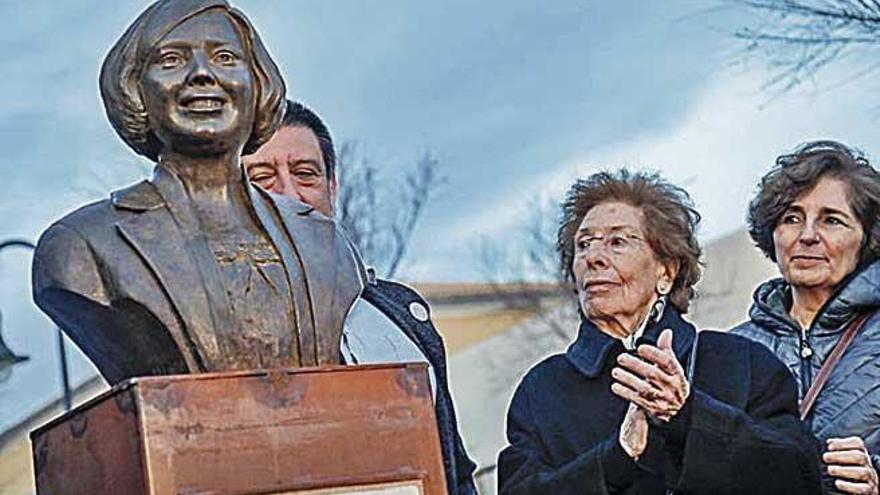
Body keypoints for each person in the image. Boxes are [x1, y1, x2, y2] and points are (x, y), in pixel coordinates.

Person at [31, 0, 364, 384]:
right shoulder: (79, 247)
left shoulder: (327, 243)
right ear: (135, 90)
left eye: (225, 57)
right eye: (172, 60)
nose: (202, 73)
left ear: (258, 86)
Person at [497, 170, 822, 494]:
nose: (593, 258)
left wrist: (689, 415)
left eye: (617, 241)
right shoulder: (542, 390)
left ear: (666, 271)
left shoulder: (743, 362)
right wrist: (616, 459)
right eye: (583, 245)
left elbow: (798, 477)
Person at [242, 100, 478, 495]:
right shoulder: (205, 328)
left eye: (305, 174)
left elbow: (453, 467)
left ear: (332, 189)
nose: (288, 193)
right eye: (263, 178)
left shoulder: (401, 315)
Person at [731, 141, 880, 495]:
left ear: (867, 238)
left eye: (831, 220)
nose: (808, 235)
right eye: (792, 218)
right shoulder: (733, 349)